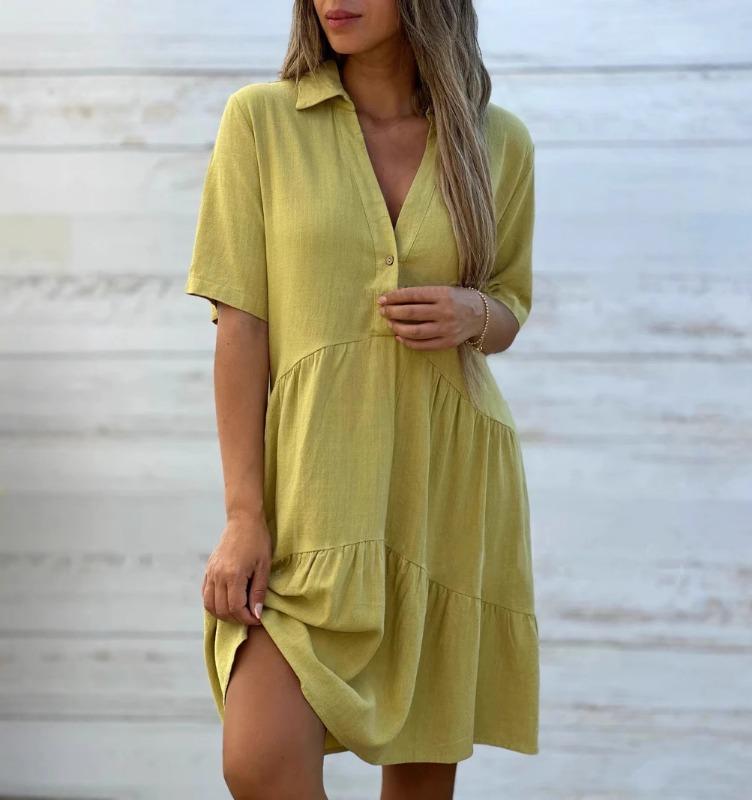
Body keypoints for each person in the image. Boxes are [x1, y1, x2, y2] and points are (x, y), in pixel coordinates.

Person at [184, 1, 538, 798]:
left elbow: (510, 304)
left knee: (419, 781)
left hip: (444, 488)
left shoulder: (498, 141)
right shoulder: (262, 122)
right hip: (314, 491)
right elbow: (241, 329)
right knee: (259, 760)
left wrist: (473, 312)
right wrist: (244, 515)